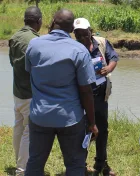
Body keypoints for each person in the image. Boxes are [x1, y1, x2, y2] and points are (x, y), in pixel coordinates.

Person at [24, 9, 98, 176]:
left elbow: (30, 73)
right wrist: (92, 123)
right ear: (72, 29)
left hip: (40, 116)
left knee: (35, 162)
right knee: (74, 165)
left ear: (51, 23)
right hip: (70, 119)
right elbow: (86, 91)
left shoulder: (34, 45)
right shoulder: (79, 50)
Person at [73, 18, 118, 176]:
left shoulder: (101, 42)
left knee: (102, 130)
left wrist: (108, 68)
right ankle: (81, 165)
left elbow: (113, 58)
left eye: (85, 34)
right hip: (81, 98)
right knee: (83, 131)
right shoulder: (73, 47)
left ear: (90, 31)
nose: (82, 38)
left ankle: (101, 163)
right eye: (78, 35)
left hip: (100, 95)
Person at [8, 6, 42, 176]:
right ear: (39, 22)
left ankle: (18, 162)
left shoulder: (14, 37)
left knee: (18, 127)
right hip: (30, 93)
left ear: (24, 21)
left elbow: (12, 64)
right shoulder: (35, 41)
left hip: (17, 92)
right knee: (29, 131)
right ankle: (22, 170)